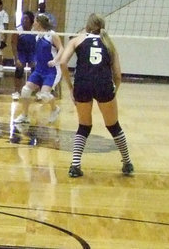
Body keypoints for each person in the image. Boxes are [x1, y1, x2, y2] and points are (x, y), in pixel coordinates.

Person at [59, 13, 133, 178]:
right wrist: (114, 91)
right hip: (103, 84)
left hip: (82, 84)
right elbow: (118, 75)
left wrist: (70, 87)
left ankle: (75, 166)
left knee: (84, 126)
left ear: (87, 26)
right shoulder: (109, 44)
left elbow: (63, 62)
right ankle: (127, 163)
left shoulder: (77, 40)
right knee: (113, 126)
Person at [12, 14, 63, 125]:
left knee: (44, 95)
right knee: (25, 91)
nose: (33, 23)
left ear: (39, 23)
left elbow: (61, 49)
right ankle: (24, 116)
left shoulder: (51, 35)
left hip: (51, 71)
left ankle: (55, 109)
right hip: (39, 70)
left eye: (34, 21)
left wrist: (55, 61)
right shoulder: (37, 36)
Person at [11, 11, 36, 100]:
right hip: (21, 52)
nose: (24, 20)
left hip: (32, 52)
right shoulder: (18, 30)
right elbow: (13, 44)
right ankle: (17, 91)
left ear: (31, 20)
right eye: (23, 18)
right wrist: (16, 58)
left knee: (36, 69)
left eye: (26, 19)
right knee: (19, 69)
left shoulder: (35, 30)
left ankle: (37, 91)